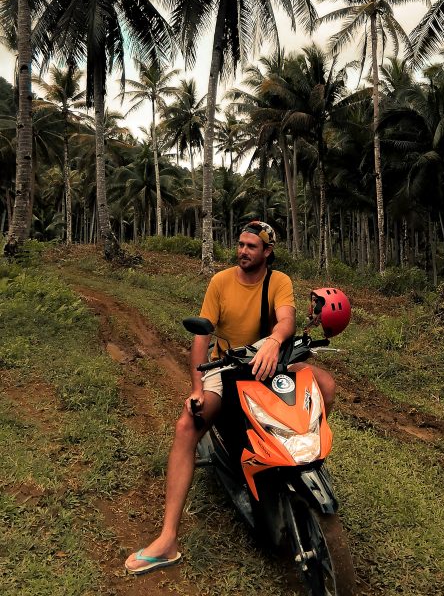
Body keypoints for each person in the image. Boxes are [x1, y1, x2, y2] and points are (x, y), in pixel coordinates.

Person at [124, 219, 335, 576]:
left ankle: (302, 457)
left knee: (323, 387)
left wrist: (272, 342)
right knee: (187, 424)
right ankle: (168, 538)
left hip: (270, 362)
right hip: (226, 365)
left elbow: (286, 320)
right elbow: (201, 337)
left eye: (251, 247)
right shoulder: (220, 282)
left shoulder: (278, 281)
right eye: (240, 245)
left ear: (267, 252)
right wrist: (196, 387)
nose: (242, 251)